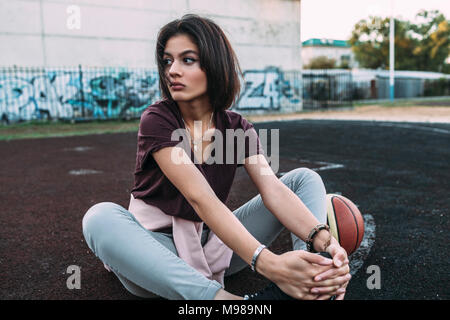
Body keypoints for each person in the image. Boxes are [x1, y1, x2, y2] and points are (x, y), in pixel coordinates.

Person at [82, 14, 351, 300]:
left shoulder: (237, 126)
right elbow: (201, 199)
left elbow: (273, 190)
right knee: (99, 217)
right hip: (159, 256)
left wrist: (323, 238)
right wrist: (268, 263)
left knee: (303, 179)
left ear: (214, 64)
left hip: (215, 245)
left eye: (187, 60)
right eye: (167, 61)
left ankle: (311, 280)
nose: (172, 70)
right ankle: (222, 301)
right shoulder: (157, 119)